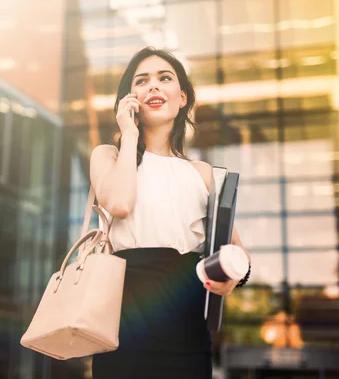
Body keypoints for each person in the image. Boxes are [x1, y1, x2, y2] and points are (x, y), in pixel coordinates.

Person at [89, 47, 252, 378]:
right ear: (127, 99)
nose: (153, 87)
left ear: (182, 98)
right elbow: (119, 205)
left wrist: (233, 277)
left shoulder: (204, 173)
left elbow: (238, 255)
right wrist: (130, 133)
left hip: (187, 327)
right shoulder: (108, 156)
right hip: (123, 323)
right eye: (142, 81)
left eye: (164, 78)